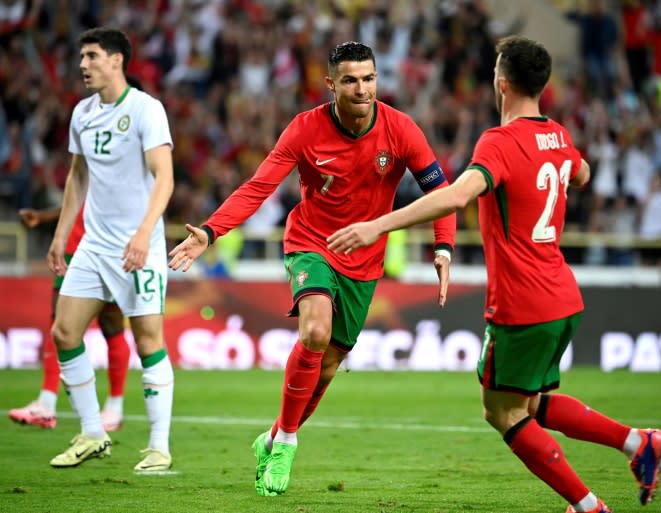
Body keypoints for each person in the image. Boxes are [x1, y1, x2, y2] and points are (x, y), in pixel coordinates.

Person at [328, 35, 661, 513]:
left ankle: (588, 506)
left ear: (501, 83)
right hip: (564, 297)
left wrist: (377, 225)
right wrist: (567, 165)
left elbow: (456, 195)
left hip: (523, 302)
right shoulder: (559, 135)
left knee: (502, 412)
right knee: (530, 404)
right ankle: (637, 443)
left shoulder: (500, 142)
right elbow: (583, 170)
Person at [168, 41, 456, 496]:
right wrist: (211, 230)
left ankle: (273, 436)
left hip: (364, 260)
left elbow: (441, 193)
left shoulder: (401, 130)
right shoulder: (305, 130)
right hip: (312, 244)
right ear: (331, 84)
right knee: (315, 332)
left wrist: (443, 248)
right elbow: (259, 186)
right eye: (350, 80)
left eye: (369, 79)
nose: (362, 89)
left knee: (328, 366)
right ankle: (287, 442)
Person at [47, 27, 175, 472]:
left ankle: (159, 446)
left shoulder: (145, 109)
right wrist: (62, 234)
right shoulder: (81, 113)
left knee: (148, 341)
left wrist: (143, 234)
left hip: (138, 245)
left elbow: (165, 177)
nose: (83, 65)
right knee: (64, 332)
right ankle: (92, 432)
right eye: (81, 56)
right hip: (95, 245)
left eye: (92, 56)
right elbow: (77, 177)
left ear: (117, 60)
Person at [10, 206, 130, 431]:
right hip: (73, 249)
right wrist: (44, 216)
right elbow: (76, 197)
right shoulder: (83, 170)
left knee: (111, 325)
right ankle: (46, 403)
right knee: (59, 325)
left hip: (110, 247)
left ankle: (114, 407)